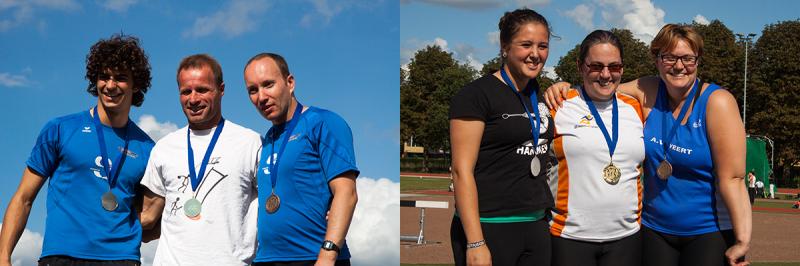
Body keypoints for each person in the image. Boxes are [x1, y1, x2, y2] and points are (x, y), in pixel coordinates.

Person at [544, 24, 751, 266]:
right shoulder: (647, 91)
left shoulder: (718, 102)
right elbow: (602, 86)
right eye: (669, 57)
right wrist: (564, 87)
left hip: (706, 230)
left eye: (688, 58)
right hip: (653, 230)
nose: (679, 65)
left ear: (698, 60)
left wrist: (743, 240)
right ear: (657, 59)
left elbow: (734, 178)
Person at [0, 34, 155, 265]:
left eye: (120, 78)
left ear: (137, 85)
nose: (110, 85)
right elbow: (23, 198)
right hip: (62, 256)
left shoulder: (148, 149)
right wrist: (4, 258)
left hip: (122, 259)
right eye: (104, 77)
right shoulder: (60, 129)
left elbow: (152, 218)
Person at [449, 8, 555, 266]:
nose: (535, 54)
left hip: (536, 225)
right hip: (489, 227)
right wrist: (475, 243)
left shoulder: (540, 94)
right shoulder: (476, 95)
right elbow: (462, 171)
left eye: (542, 46)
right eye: (526, 44)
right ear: (505, 46)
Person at [138, 54, 262, 265]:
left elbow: (277, 207)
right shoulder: (164, 148)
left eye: (202, 90)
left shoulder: (250, 143)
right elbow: (148, 217)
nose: (193, 99)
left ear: (221, 90)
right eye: (186, 92)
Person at [244, 53, 359, 266]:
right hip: (266, 259)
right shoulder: (268, 139)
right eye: (253, 90)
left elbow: (347, 192)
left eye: (268, 85)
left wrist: (328, 254)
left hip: (313, 257)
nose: (261, 97)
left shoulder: (323, 122)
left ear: (290, 83)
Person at [547, 30, 644, 266]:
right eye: (596, 66)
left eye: (614, 66)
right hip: (569, 237)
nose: (605, 75)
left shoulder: (637, 108)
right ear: (581, 66)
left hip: (628, 238)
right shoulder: (557, 105)